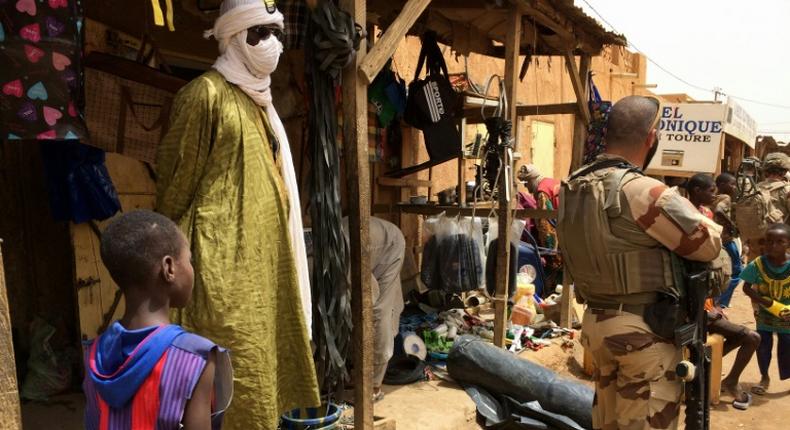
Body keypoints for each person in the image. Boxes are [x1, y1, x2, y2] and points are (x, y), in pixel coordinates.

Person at [155, 1, 319, 428]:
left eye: (275, 33)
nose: (271, 44)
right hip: (220, 273)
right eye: (258, 33)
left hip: (264, 267)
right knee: (226, 371)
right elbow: (174, 188)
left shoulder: (258, 100)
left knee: (261, 367)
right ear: (232, 36)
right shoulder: (204, 94)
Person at [558, 96, 722, 429]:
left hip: (598, 326)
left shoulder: (575, 186)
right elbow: (709, 245)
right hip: (642, 334)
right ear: (651, 137)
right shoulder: (642, 191)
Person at [84, 210, 232, 430]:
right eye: (189, 260)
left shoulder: (93, 354)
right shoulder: (196, 357)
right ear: (169, 268)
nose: (192, 268)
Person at [687, 173, 759, 410]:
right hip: (689, 309)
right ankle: (712, 373)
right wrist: (708, 310)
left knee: (746, 336)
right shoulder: (685, 219)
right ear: (697, 190)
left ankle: (718, 374)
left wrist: (713, 305)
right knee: (750, 336)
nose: (714, 195)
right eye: (710, 191)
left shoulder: (705, 215)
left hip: (704, 305)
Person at [341, 216, 406, 401]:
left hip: (389, 245)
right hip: (367, 244)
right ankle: (357, 372)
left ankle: (374, 384)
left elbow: (370, 295)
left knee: (377, 313)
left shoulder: (340, 260)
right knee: (353, 311)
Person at [740, 223, 790, 396]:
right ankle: (764, 377)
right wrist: (764, 302)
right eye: (769, 241)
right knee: (763, 346)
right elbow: (746, 288)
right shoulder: (758, 264)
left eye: (779, 242)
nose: (773, 246)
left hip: (787, 316)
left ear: (788, 244)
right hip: (764, 315)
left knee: (787, 346)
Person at [743, 152, 790, 261]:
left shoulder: (753, 189)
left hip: (756, 245)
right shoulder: (787, 190)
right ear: (784, 171)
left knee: (757, 275)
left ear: (765, 171)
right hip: (781, 248)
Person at [714, 172, 743, 308]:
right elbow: (719, 211)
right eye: (731, 184)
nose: (734, 187)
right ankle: (722, 302)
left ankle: (716, 300)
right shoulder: (725, 197)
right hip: (726, 239)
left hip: (717, 240)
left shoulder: (713, 197)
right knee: (737, 271)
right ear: (721, 185)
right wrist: (731, 224)